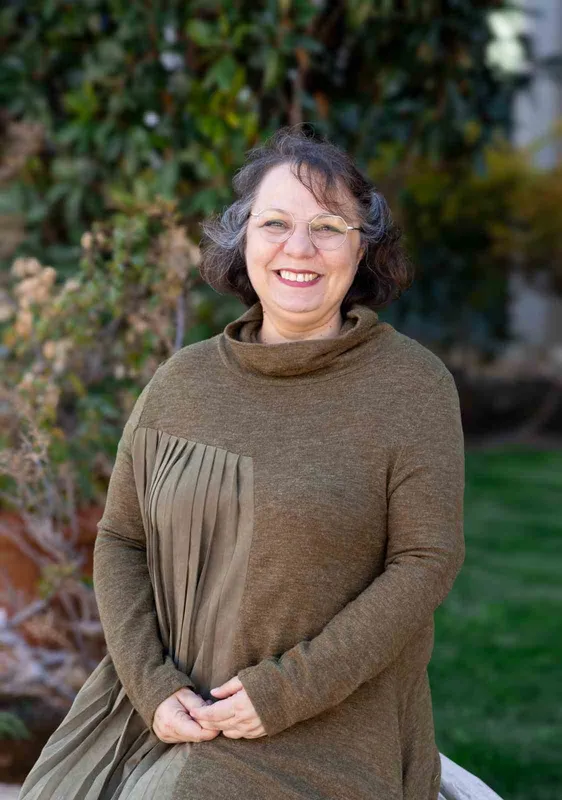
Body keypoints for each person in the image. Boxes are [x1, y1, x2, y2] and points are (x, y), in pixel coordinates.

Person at [19, 126, 476, 800]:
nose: (300, 248)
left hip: (327, 724)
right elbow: (121, 538)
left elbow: (426, 560)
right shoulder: (182, 382)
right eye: (275, 223)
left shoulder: (411, 386)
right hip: (159, 712)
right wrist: (153, 686)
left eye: (328, 227)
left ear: (363, 249)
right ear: (243, 240)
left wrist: (286, 691)